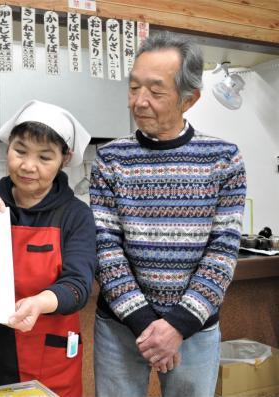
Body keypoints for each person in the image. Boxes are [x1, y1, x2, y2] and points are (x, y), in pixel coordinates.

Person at [90, 32, 247, 397]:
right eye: (133, 88)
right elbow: (105, 248)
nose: (139, 102)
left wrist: (176, 326)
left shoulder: (223, 158)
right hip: (120, 327)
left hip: (194, 327)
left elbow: (223, 251)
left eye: (156, 92)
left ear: (189, 99)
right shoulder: (111, 159)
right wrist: (148, 326)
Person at [0, 100, 97, 397]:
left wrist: (38, 303)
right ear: (8, 147)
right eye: (20, 151)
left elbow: (78, 285)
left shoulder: (75, 215)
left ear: (64, 159)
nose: (27, 166)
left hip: (49, 347)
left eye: (45, 157)